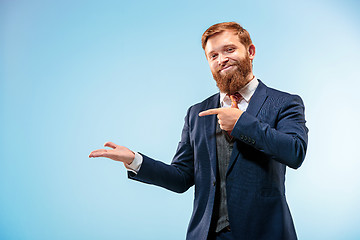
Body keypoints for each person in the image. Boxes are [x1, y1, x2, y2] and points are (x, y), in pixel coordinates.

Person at [89, 22, 308, 240]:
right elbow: (181, 177)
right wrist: (135, 160)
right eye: (213, 56)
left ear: (250, 51)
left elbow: (295, 152)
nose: (222, 59)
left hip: (265, 232)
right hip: (207, 235)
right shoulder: (196, 113)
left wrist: (242, 123)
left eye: (229, 50)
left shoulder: (284, 102)